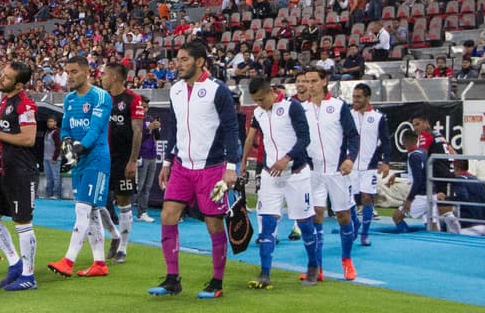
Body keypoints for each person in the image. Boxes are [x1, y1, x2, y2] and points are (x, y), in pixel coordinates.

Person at [148, 40, 242, 299]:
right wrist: (167, 162)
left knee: (213, 223)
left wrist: (231, 167)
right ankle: (172, 279)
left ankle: (217, 281)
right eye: (177, 59)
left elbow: (232, 129)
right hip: (181, 166)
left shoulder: (218, 90)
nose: (179, 64)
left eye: (185, 59)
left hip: (211, 167)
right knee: (168, 215)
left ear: (200, 62)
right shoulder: (175, 90)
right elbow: (175, 129)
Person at [242, 77, 319, 289]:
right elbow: (250, 138)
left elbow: (305, 138)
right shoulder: (258, 113)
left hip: (296, 173)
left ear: (271, 92)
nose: (259, 104)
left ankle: (313, 266)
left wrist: (286, 158)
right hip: (270, 174)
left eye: (260, 99)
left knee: (304, 222)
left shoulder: (291, 107)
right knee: (267, 223)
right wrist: (242, 163)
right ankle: (265, 272)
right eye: (255, 101)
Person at [48, 55, 113, 278]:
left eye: (74, 71)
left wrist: (78, 148)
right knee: (92, 213)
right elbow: (65, 128)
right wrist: (66, 144)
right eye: (68, 72)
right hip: (80, 162)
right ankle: (100, 263)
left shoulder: (101, 97)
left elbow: (94, 130)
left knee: (82, 209)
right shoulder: (69, 100)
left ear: (87, 71)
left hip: (96, 160)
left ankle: (68, 260)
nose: (70, 76)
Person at [0, 61, 41, 291]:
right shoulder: (5, 101)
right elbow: (7, 135)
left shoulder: (25, 105)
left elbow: (28, 139)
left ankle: (29, 276)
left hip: (22, 172)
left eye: (6, 77)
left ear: (18, 85)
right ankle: (15, 263)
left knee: (22, 223)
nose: (1, 78)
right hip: (7, 169)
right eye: (2, 74)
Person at [297, 67, 360, 282]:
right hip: (313, 171)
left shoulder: (338, 106)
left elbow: (353, 135)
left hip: (337, 171)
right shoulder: (301, 108)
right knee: (316, 216)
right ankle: (318, 266)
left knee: (343, 216)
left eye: (314, 81)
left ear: (325, 82)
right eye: (307, 81)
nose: (309, 85)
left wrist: (350, 158)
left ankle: (347, 259)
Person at [102, 61, 144, 263]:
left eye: (105, 75)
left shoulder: (132, 100)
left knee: (123, 201)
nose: (102, 78)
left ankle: (123, 249)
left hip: (123, 159)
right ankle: (115, 234)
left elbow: (138, 131)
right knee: (97, 202)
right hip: (102, 158)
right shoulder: (102, 98)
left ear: (115, 77)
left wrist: (133, 160)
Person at [350, 83, 391, 246]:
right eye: (353, 96)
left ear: (367, 98)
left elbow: (386, 141)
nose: (355, 100)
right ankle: (355, 223)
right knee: (349, 199)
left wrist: (386, 161)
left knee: (367, 197)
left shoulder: (378, 117)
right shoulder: (348, 115)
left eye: (359, 96)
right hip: (350, 165)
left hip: (370, 166)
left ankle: (365, 233)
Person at [133, 99, 160, 222]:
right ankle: (127, 209)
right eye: (143, 107)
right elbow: (137, 136)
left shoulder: (149, 117)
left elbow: (157, 137)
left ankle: (142, 212)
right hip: (142, 154)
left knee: (147, 187)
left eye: (147, 107)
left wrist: (157, 128)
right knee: (139, 185)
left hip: (152, 155)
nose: (145, 109)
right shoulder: (136, 120)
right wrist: (148, 128)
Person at [41, 115, 61, 200]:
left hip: (54, 159)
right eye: (48, 121)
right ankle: (48, 193)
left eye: (51, 121)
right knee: (48, 177)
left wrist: (55, 157)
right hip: (46, 158)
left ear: (55, 122)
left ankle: (57, 194)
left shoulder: (56, 132)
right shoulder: (47, 132)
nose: (49, 123)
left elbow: (58, 146)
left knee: (55, 176)